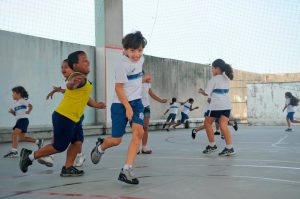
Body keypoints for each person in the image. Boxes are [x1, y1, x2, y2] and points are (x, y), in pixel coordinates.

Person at [19, 51, 105, 176]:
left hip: (74, 119)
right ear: (75, 65)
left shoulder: (84, 80)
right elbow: (70, 85)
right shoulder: (77, 77)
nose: (88, 62)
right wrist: (72, 84)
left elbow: (85, 98)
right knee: (59, 146)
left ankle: (68, 168)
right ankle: (29, 157)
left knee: (77, 141)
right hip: (65, 117)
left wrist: (97, 104)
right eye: (84, 60)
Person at [90, 31, 149, 185]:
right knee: (116, 140)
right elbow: (119, 89)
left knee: (139, 133)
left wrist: (143, 79)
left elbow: (134, 79)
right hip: (120, 104)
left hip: (136, 103)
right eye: (132, 50)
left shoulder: (141, 59)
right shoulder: (122, 65)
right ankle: (101, 147)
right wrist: (127, 108)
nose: (136, 54)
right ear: (124, 50)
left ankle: (126, 169)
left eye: (140, 50)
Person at [45, 59, 85, 167]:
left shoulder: (76, 80)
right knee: (63, 135)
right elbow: (63, 88)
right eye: (62, 67)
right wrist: (54, 91)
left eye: (66, 67)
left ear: (73, 69)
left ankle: (80, 155)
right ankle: (50, 156)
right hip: (67, 114)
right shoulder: (66, 80)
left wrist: (60, 90)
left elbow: (69, 89)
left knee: (77, 139)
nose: (63, 69)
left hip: (76, 114)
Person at [198, 59, 235, 156]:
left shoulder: (213, 79)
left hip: (216, 106)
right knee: (223, 125)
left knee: (207, 123)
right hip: (227, 106)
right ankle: (229, 147)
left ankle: (212, 145)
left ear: (217, 68)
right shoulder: (226, 78)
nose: (212, 70)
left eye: (212, 68)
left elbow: (207, 93)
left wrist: (201, 91)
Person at [4, 86, 43, 158]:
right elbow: (16, 114)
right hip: (20, 120)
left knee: (14, 134)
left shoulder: (22, 100)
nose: (12, 95)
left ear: (19, 94)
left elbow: (30, 106)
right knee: (22, 138)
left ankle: (14, 151)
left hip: (23, 120)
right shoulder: (15, 104)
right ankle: (38, 141)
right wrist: (12, 112)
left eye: (13, 93)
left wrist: (28, 111)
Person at [140, 71, 167, 154]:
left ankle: (144, 147)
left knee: (145, 127)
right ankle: (136, 147)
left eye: (142, 74)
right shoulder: (133, 83)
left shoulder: (147, 83)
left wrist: (161, 100)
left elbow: (152, 94)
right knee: (137, 128)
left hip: (146, 107)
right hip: (137, 107)